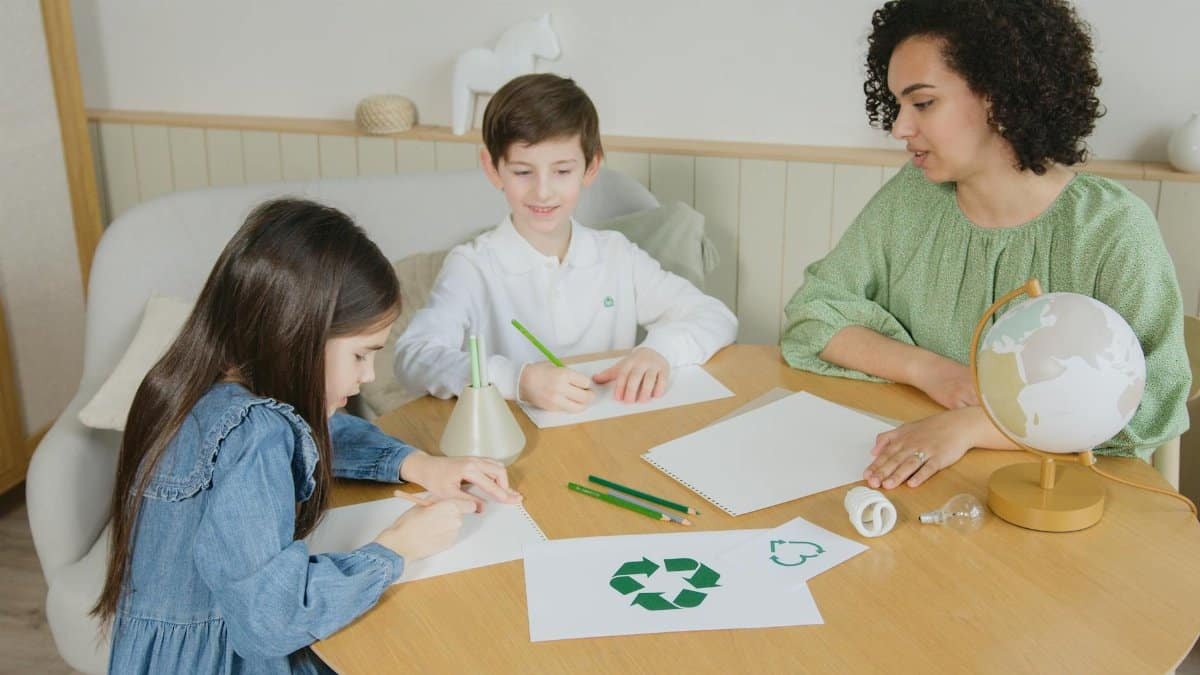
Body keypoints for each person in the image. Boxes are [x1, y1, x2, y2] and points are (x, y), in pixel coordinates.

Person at [93, 199, 523, 674]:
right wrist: (398, 547)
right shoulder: (255, 434)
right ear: (296, 334)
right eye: (361, 355)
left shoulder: (190, 384)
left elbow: (317, 429)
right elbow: (270, 620)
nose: (368, 375)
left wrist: (416, 465)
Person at [781, 0, 1190, 491]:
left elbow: (1149, 403)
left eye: (924, 103)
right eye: (897, 105)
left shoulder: (1111, 228)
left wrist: (977, 425)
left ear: (999, 94)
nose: (899, 128)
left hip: (1064, 502)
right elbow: (813, 313)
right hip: (931, 483)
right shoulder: (912, 198)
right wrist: (932, 371)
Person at [394, 73, 737, 412]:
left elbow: (715, 316)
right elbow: (413, 356)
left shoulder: (616, 255)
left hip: (605, 434)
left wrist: (660, 350)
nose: (543, 191)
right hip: (511, 449)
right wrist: (518, 380)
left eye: (562, 171)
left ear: (590, 167)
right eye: (523, 172)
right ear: (492, 167)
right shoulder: (473, 265)